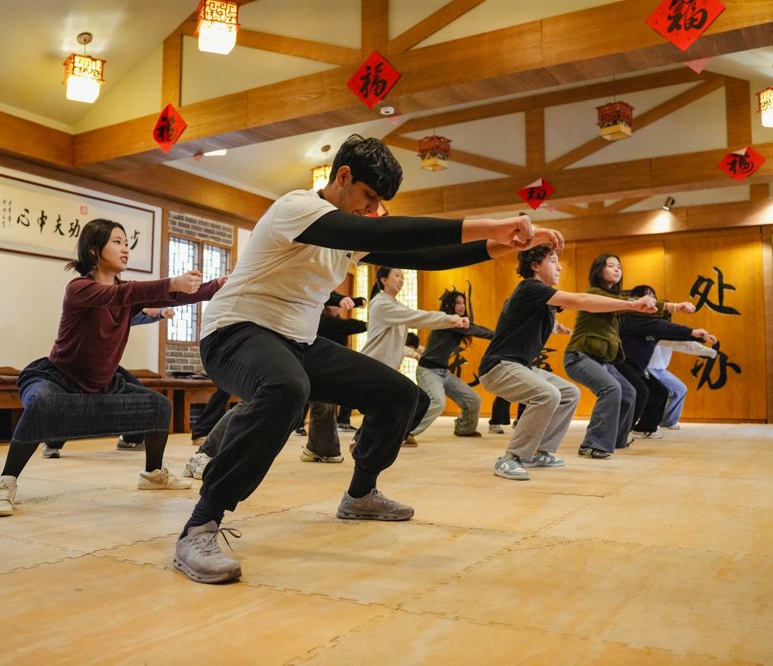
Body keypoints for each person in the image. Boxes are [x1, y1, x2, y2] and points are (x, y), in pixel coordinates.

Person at [172, 133, 563, 584]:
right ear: (342, 176)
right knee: (287, 389)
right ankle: (199, 526)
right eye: (369, 197)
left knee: (401, 395)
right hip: (234, 332)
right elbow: (376, 231)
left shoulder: (349, 232)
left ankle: (360, 495)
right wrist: (488, 224)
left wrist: (499, 246)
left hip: (296, 341)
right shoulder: (297, 208)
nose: (372, 209)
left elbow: (426, 255)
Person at [0, 218, 223, 517]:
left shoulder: (124, 294)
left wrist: (216, 286)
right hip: (57, 377)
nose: (125, 249)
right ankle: (6, 482)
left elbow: (161, 295)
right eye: (117, 242)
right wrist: (171, 282)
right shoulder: (80, 288)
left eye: (126, 243)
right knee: (43, 404)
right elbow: (123, 295)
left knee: (159, 406)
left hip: (104, 382)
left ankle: (153, 474)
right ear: (95, 251)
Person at [479, 244, 656, 480]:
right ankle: (511, 458)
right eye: (553, 260)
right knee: (547, 394)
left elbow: (583, 303)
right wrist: (631, 305)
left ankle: (541, 451)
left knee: (569, 393)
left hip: (520, 366)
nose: (560, 267)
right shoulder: (531, 287)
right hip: (498, 366)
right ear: (534, 266)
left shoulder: (541, 297)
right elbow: (583, 300)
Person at [563, 254, 693, 458]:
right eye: (611, 266)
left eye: (619, 267)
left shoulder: (619, 301)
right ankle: (592, 444)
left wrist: (674, 307)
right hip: (580, 356)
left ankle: (617, 439)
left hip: (602, 360)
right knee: (611, 388)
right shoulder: (595, 293)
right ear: (599, 270)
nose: (617, 270)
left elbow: (631, 305)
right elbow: (624, 302)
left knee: (629, 392)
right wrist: (667, 306)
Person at [41, 306, 175, 458]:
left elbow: (126, 316)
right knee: (78, 401)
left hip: (104, 366)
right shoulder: (85, 306)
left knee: (137, 392)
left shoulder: (116, 312)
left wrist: (158, 313)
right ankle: (52, 443)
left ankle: (131, 439)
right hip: (76, 367)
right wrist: (145, 311)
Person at [359, 267, 467, 446]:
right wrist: (449, 319)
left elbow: (409, 324)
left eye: (402, 276)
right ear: (384, 280)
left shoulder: (394, 305)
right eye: (397, 275)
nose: (401, 279)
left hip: (386, 368)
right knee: (405, 401)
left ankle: (382, 437)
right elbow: (417, 317)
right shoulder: (381, 304)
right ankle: (369, 440)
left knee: (407, 402)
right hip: (375, 366)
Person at [617, 285, 716, 438]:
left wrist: (697, 338)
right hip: (620, 365)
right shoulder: (633, 319)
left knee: (659, 392)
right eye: (647, 297)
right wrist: (693, 333)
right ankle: (619, 433)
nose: (652, 301)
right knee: (640, 392)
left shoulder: (654, 323)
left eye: (653, 297)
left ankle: (642, 428)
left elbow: (672, 334)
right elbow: (664, 329)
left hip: (637, 369)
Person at [411, 288, 493, 439]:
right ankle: (406, 433)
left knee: (473, 400)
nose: (462, 306)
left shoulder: (459, 323)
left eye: (463, 303)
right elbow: (478, 331)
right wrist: (499, 336)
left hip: (444, 372)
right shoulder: (448, 322)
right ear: (450, 305)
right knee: (438, 402)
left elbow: (474, 327)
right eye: (458, 303)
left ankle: (465, 429)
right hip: (427, 371)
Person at [301, 291, 368, 463]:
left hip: (325, 368)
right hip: (313, 365)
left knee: (323, 406)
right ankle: (322, 449)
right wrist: (368, 325)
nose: (338, 308)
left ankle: (318, 449)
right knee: (321, 406)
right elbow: (346, 326)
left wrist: (356, 302)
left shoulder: (331, 320)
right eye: (335, 303)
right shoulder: (320, 320)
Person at [649, 339, 717, 429]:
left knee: (680, 389)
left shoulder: (671, 332)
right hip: (646, 367)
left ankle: (668, 422)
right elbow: (661, 339)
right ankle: (647, 423)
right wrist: (680, 340)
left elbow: (685, 345)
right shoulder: (651, 328)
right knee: (658, 392)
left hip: (660, 369)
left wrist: (708, 352)